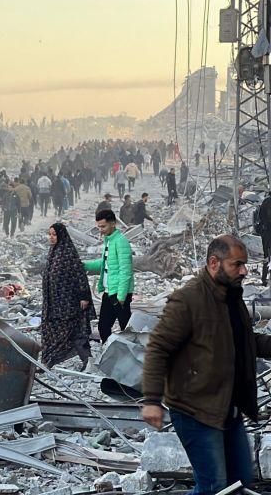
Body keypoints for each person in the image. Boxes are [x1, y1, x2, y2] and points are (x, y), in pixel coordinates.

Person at [141, 235, 271, 494]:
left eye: (245, 264)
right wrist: (152, 400)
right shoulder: (188, 300)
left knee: (240, 483)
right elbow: (158, 348)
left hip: (226, 409)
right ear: (214, 262)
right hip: (195, 410)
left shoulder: (231, 297)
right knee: (214, 487)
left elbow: (246, 340)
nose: (244, 271)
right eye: (237, 264)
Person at [40, 223, 95, 369]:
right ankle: (47, 361)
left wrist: (84, 297)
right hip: (53, 303)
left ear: (61, 235)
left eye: (54, 234)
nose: (51, 238)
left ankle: (87, 361)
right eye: (50, 234)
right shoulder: (53, 252)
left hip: (68, 303)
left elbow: (79, 275)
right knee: (50, 332)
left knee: (75, 332)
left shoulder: (68, 253)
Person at [83, 209, 134, 343]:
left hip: (118, 293)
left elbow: (126, 271)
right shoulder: (109, 241)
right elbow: (105, 264)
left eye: (103, 226)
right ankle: (112, 353)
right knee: (103, 327)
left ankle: (132, 356)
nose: (100, 230)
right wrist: (85, 265)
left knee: (126, 328)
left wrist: (121, 296)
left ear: (113, 223)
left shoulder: (121, 242)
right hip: (109, 291)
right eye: (98, 226)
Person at [259, 193, 271, 285]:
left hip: (265, 232)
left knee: (266, 256)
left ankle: (264, 278)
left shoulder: (265, 202)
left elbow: (259, 217)